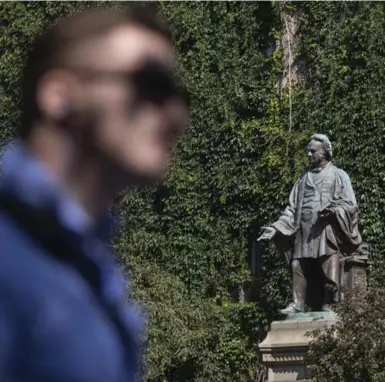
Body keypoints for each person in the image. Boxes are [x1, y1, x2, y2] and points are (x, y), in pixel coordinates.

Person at [0, 5, 189, 382]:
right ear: (59, 96)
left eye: (179, 96)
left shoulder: (98, 273)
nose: (175, 115)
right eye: (151, 85)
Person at [258, 134, 363, 314]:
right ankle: (297, 303)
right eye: (308, 150)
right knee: (297, 265)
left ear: (325, 152)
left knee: (328, 263)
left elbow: (351, 204)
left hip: (326, 230)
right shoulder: (302, 179)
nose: (308, 154)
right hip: (304, 231)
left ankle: (329, 302)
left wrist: (335, 210)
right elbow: (291, 209)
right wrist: (275, 228)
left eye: (312, 151)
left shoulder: (339, 175)